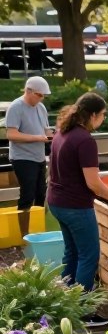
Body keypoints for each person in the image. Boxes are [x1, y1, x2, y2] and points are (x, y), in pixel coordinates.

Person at [48, 92, 108, 323]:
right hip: (75, 206)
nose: (103, 119)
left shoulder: (62, 132)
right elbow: (93, 183)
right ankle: (82, 311)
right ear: (92, 114)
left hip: (57, 201)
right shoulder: (84, 140)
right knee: (89, 255)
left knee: (72, 252)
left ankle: (63, 303)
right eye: (103, 114)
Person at [6, 76, 53, 237]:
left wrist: (55, 135)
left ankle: (38, 230)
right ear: (29, 91)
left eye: (43, 96)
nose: (41, 98)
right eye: (39, 95)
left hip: (39, 156)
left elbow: (46, 131)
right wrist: (37, 138)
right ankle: (23, 233)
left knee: (41, 194)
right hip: (22, 157)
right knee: (27, 194)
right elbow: (11, 134)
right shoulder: (16, 107)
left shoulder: (41, 108)